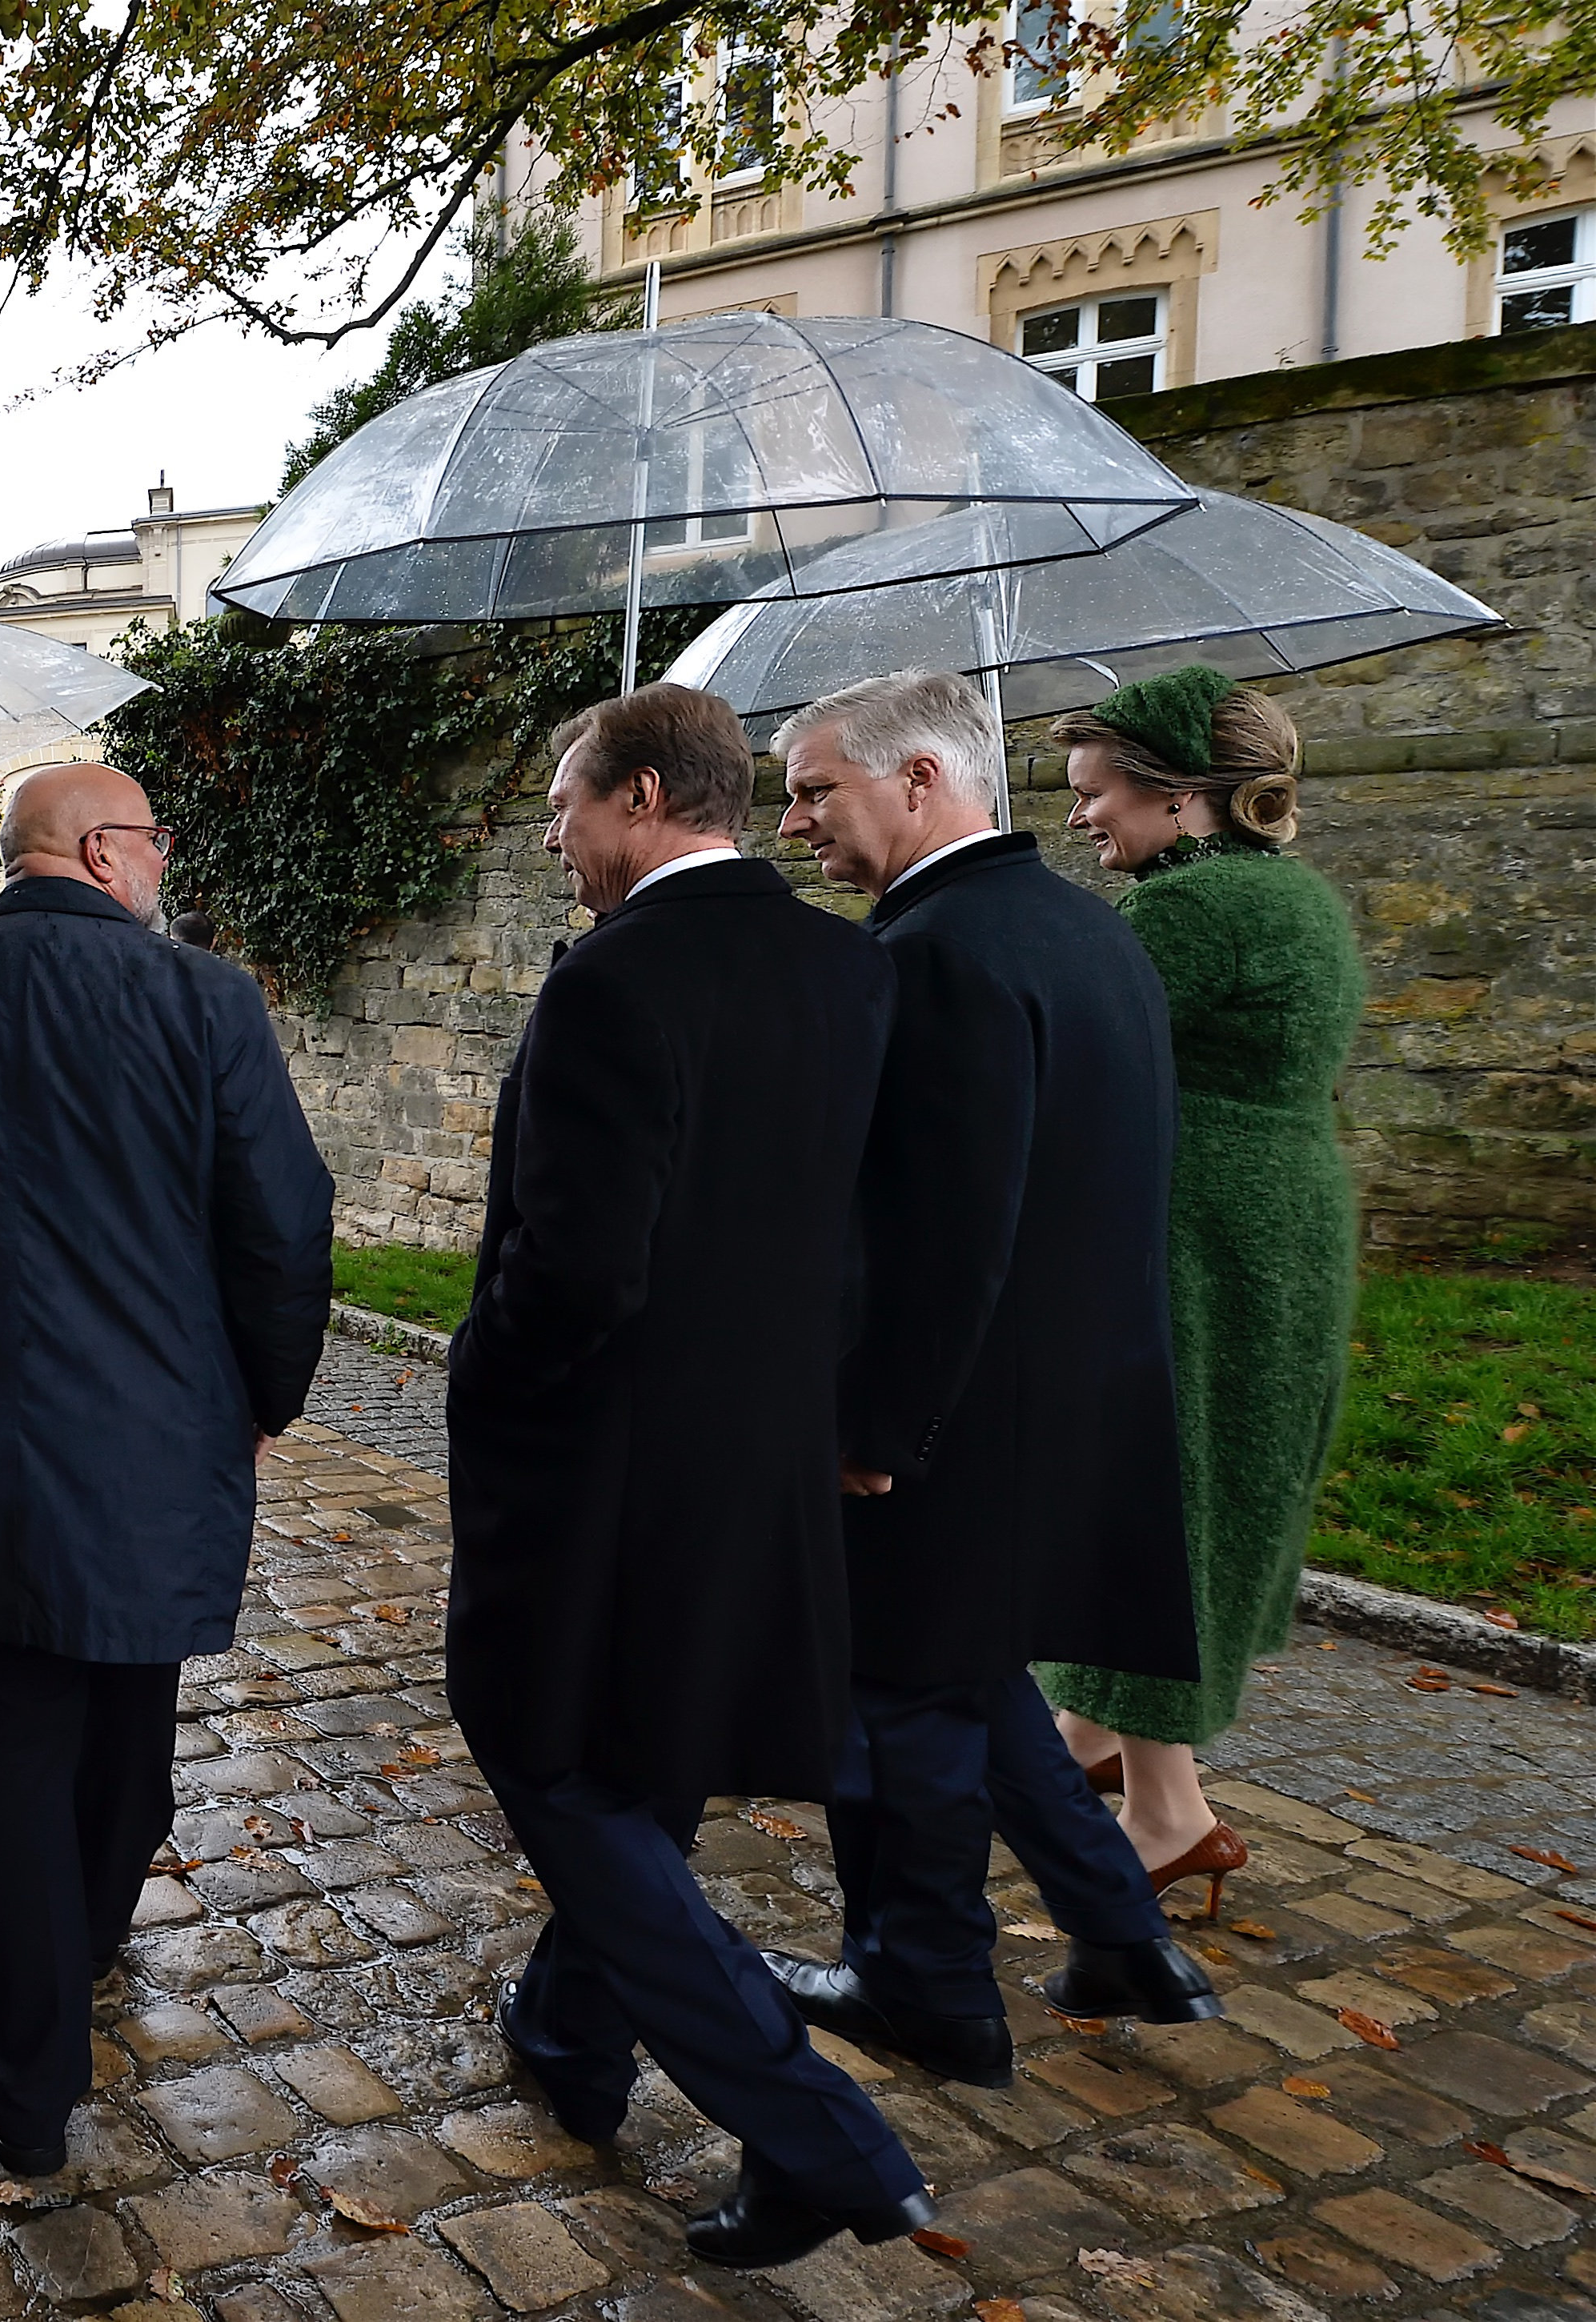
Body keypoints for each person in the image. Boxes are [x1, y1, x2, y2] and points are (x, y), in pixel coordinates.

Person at [446, 684, 931, 2271]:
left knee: (555, 1761)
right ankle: (567, 2035)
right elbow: (860, 1231)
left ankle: (816, 2133)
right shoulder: (846, 964)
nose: (559, 843)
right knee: (638, 1761)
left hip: (599, 1474)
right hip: (759, 1452)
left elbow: (573, 1271)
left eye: (568, 811)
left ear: (641, 795)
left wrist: (484, 1380)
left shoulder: (611, 981)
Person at [0, 761, 331, 2185]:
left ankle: (30, 2074)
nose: (162, 862)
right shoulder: (204, 999)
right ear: (100, 851)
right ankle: (80, 1942)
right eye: (153, 839)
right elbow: (284, 1225)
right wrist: (267, 1397)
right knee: (121, 1728)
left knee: (22, 1754)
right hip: (157, 1434)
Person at [765, 670, 1221, 2088]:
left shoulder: (934, 950)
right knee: (963, 1672)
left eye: (812, 789)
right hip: (1075, 1392)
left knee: (893, 1697)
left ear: (917, 780)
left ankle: (928, 1986)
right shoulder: (1088, 929)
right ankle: (1119, 1932)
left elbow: (938, 1228)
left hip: (955, 1413)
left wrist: (871, 1420)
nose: (792, 824)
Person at [1041, 668, 1366, 1899]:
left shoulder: (1196, 909)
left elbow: (1067, 1055)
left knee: (1159, 1487)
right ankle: (1085, 1739)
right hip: (1280, 1212)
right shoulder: (1291, 894)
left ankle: (1169, 1809)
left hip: (1201, 1222)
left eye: (1095, 795)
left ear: (1181, 798)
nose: (1080, 819)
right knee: (1209, 1477)